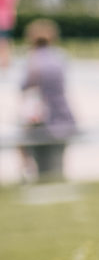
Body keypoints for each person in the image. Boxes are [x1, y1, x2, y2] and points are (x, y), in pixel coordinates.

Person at [18, 18, 77, 180]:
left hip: (45, 116)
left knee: (22, 135)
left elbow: (24, 87)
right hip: (64, 113)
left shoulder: (33, 60)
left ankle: (26, 172)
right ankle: (56, 173)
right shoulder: (60, 57)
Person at [0, 0, 20, 71]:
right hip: (6, 16)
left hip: (4, 17)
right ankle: (5, 61)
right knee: (4, 39)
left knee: (4, 40)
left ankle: (5, 62)